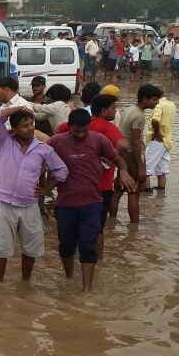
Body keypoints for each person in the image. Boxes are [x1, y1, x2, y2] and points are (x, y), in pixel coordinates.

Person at [48, 109, 134, 291]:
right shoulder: (57, 141)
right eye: (76, 131)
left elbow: (118, 159)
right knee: (66, 245)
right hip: (65, 204)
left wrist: (124, 172)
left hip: (92, 203)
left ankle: (87, 289)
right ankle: (69, 278)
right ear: (69, 127)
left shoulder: (98, 140)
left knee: (88, 246)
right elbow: (37, 156)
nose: (80, 135)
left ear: (89, 127)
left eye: (84, 131)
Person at [0, 107, 68, 282]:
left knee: (30, 249)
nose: (30, 128)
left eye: (32, 124)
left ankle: (25, 282)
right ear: (15, 129)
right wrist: (20, 108)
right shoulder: (5, 141)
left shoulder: (43, 149)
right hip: (4, 205)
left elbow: (62, 170)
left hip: (30, 206)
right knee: (1, 248)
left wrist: (47, 188)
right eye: (25, 125)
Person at [56, 94, 128, 260]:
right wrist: (112, 159)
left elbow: (57, 132)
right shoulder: (106, 127)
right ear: (104, 110)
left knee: (68, 235)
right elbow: (124, 144)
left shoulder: (73, 125)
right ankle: (98, 261)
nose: (115, 111)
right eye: (113, 108)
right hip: (100, 187)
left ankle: (73, 266)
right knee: (97, 230)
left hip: (71, 188)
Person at [113, 84, 161, 223]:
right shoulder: (139, 116)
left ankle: (111, 220)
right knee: (134, 192)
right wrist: (141, 166)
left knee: (118, 191)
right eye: (154, 100)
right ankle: (134, 228)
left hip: (122, 154)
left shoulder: (129, 109)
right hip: (131, 156)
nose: (156, 103)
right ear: (145, 99)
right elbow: (135, 142)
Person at [145, 91, 176, 191]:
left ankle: (146, 191)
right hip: (167, 140)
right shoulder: (172, 105)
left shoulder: (159, 104)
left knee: (146, 167)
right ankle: (161, 192)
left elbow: (155, 120)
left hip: (157, 140)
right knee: (162, 169)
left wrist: (157, 132)